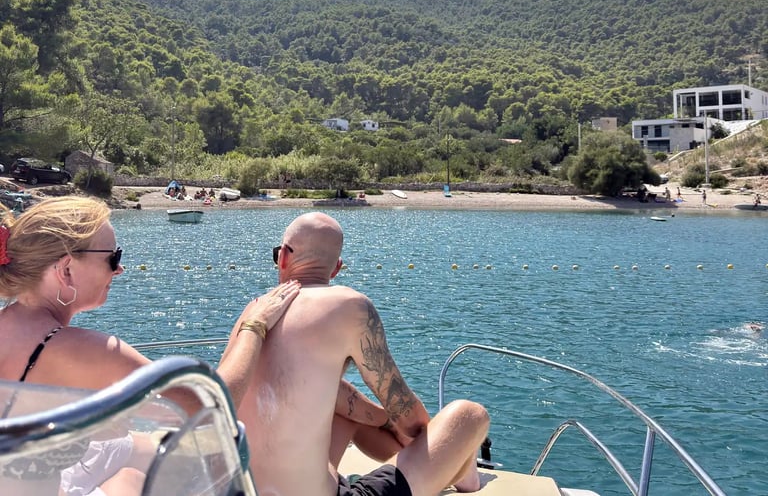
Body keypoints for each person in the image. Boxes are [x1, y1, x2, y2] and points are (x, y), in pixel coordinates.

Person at [0, 195, 300, 495]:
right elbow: (214, 406)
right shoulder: (84, 350)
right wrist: (254, 325)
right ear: (66, 270)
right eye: (113, 258)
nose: (119, 270)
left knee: (135, 455)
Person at [236, 211, 489, 496]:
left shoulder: (255, 313)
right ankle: (465, 476)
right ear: (336, 269)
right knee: (470, 415)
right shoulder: (350, 306)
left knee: (347, 412)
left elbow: (298, 386)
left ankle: (435, 468)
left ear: (282, 257)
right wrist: (416, 434)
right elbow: (411, 421)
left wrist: (379, 418)